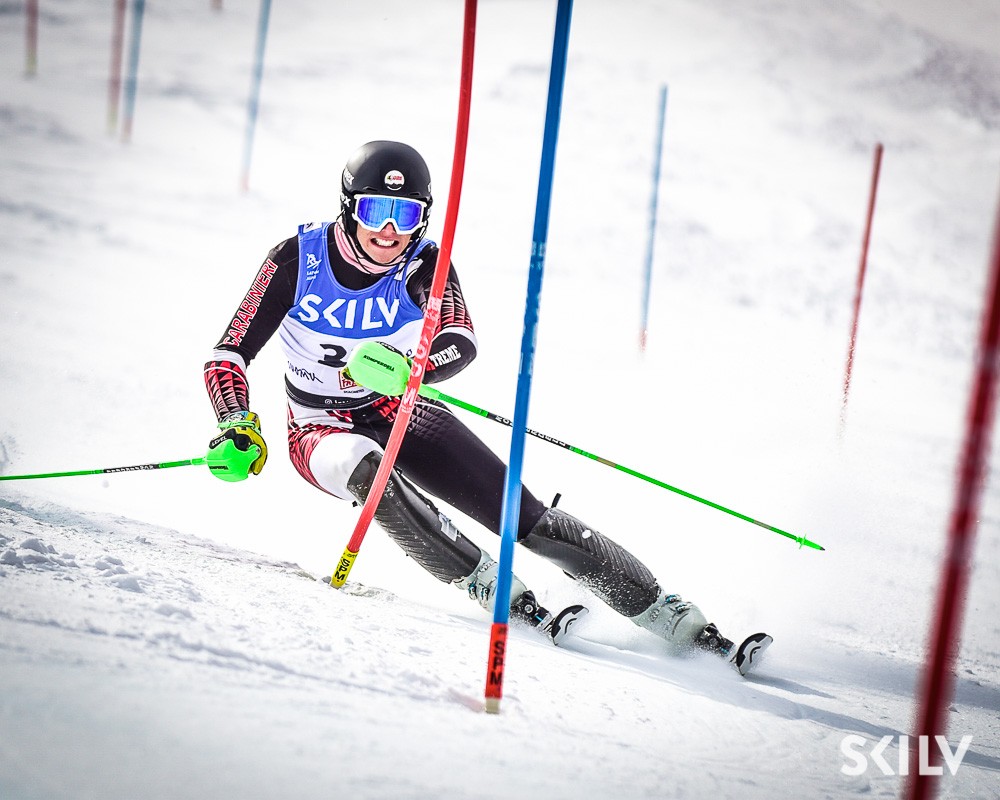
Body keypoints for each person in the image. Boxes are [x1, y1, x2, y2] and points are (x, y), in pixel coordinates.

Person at [203, 140, 768, 672]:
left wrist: (414, 370)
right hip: (318, 425)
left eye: (406, 213)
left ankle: (674, 619)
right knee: (367, 471)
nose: (390, 230)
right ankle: (498, 592)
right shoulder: (297, 259)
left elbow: (460, 338)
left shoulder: (424, 262)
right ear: (350, 207)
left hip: (398, 407)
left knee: (523, 516)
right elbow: (228, 353)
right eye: (376, 210)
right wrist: (235, 423)